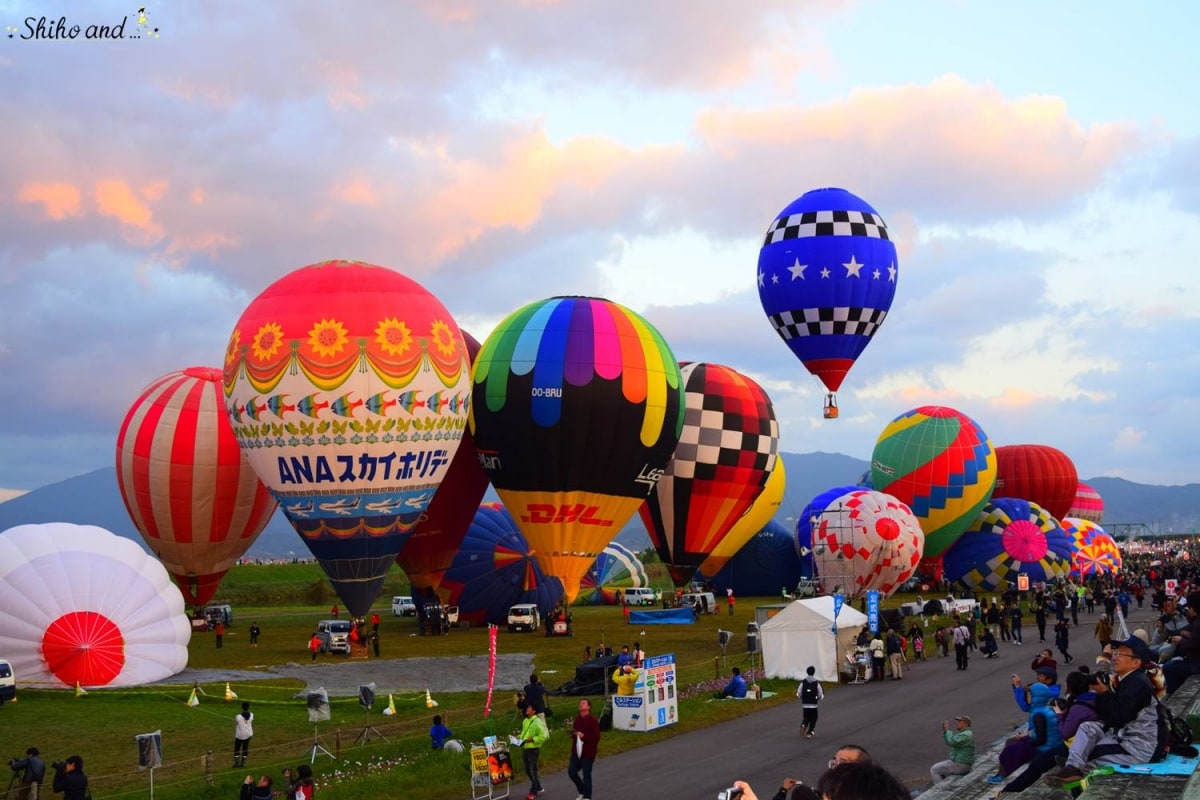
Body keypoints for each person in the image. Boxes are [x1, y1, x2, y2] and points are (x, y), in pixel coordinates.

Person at [1042, 636, 1159, 785]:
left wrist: (1103, 692)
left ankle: (1075, 769)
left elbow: (1120, 716)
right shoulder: (1130, 679)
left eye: (1120, 655)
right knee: (1087, 727)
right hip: (1126, 734)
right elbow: (1113, 715)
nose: (1115, 658)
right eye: (1115, 653)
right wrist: (1103, 692)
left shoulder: (1137, 683)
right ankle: (1073, 764)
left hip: (1139, 746)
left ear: (1136, 662)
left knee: (1092, 754)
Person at [568, 698, 601, 800]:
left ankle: (588, 796)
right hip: (576, 751)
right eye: (580, 703)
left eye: (583, 703)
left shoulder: (592, 720)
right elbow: (575, 733)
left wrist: (584, 736)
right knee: (571, 772)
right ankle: (582, 790)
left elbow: (596, 737)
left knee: (586, 775)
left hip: (588, 752)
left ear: (588, 707)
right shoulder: (577, 720)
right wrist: (573, 734)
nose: (581, 705)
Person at [930, 715, 975, 783]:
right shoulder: (965, 733)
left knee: (934, 769)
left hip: (961, 764)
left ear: (966, 723)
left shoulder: (966, 735)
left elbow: (952, 742)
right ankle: (944, 785)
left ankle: (940, 789)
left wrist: (948, 730)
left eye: (960, 721)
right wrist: (945, 731)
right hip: (962, 763)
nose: (957, 723)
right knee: (943, 769)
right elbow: (949, 741)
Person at [518, 702, 549, 800]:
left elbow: (543, 736)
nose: (527, 709)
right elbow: (524, 734)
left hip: (533, 749)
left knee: (532, 770)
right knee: (527, 770)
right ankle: (538, 786)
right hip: (525, 748)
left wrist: (532, 740)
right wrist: (517, 738)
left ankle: (533, 792)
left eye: (530, 708)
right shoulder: (525, 721)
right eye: (527, 707)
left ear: (534, 711)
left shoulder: (537, 722)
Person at [798, 666, 823, 738]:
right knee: (814, 718)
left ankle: (804, 725)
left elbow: (799, 692)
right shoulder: (816, 682)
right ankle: (810, 732)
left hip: (805, 703)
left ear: (807, 672)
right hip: (813, 704)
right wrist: (819, 698)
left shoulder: (803, 682)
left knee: (806, 717)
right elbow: (820, 693)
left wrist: (801, 697)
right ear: (814, 672)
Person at [233, 700, 253, 767]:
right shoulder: (252, 715)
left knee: (237, 748)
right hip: (248, 734)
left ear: (242, 707)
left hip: (240, 735)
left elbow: (236, 721)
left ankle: (236, 763)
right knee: (245, 748)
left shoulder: (238, 716)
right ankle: (243, 763)